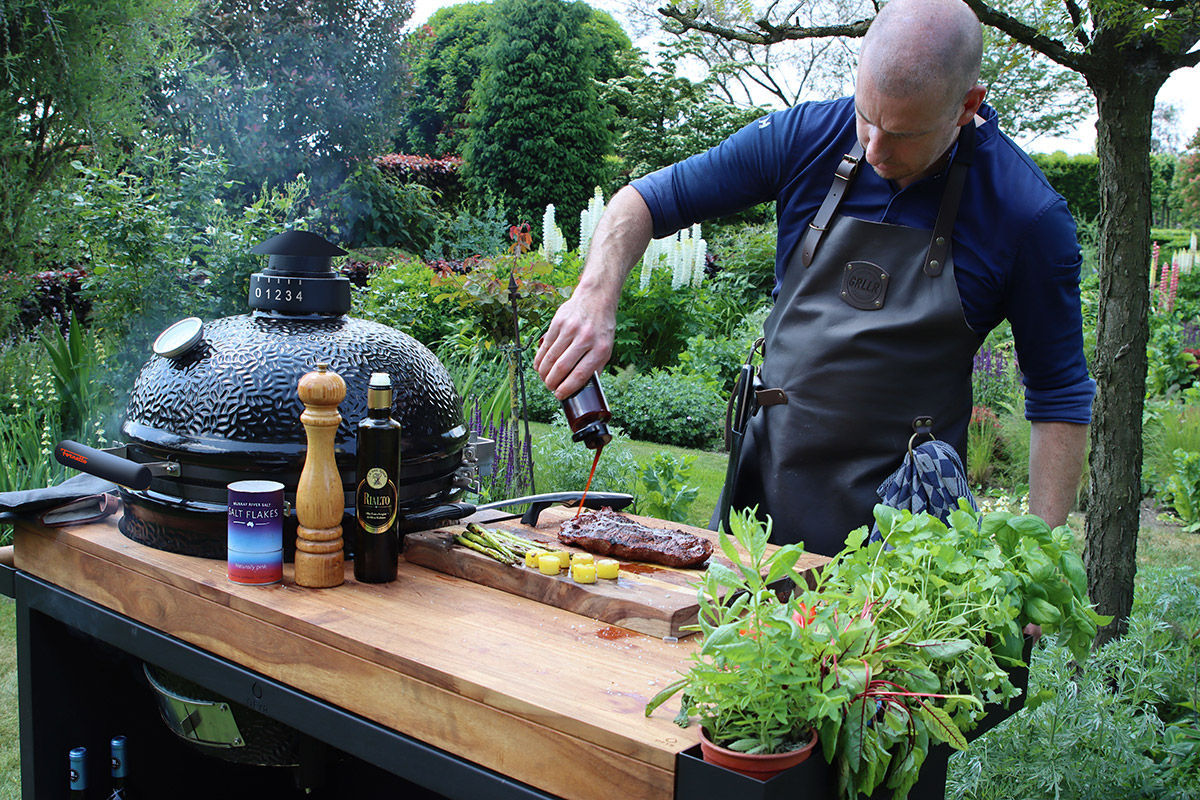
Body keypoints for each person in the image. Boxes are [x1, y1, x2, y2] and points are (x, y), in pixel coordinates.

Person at [533, 0, 1094, 556]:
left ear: (967, 106)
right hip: (762, 502)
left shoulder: (1027, 217)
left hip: (906, 539)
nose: (874, 149)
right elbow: (645, 201)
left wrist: (1038, 559)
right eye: (867, 116)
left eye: (902, 133)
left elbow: (1060, 396)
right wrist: (594, 296)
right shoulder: (805, 136)